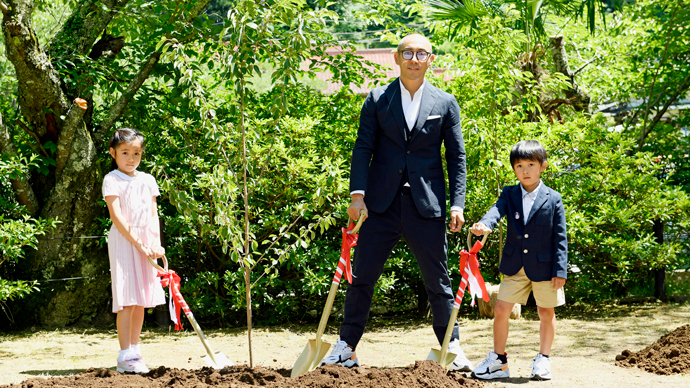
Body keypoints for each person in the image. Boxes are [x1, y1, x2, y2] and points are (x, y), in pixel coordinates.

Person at [320, 33, 472, 371]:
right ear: (396, 57)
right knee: (361, 277)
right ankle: (346, 347)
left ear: (431, 59)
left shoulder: (445, 103)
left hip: (426, 205)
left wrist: (457, 204)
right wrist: (357, 195)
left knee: (439, 281)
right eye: (408, 53)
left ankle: (453, 347)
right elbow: (363, 149)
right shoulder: (376, 99)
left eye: (421, 53)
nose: (414, 59)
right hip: (380, 205)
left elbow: (456, 157)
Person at [469, 140, 567, 381]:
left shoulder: (553, 198)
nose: (525, 170)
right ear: (513, 169)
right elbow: (496, 211)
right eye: (519, 165)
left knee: (546, 312)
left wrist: (560, 269)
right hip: (515, 264)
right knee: (501, 309)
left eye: (531, 164)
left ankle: (543, 361)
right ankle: (499, 361)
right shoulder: (509, 194)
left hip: (545, 267)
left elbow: (560, 236)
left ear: (543, 166)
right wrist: (485, 224)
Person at [103, 128, 166, 373]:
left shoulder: (148, 180)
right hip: (123, 241)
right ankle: (124, 355)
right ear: (113, 153)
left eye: (136, 153)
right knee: (127, 300)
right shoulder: (111, 179)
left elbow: (153, 215)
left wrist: (155, 243)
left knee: (140, 300)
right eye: (125, 152)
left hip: (145, 242)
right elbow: (116, 217)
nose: (131, 158)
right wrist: (137, 241)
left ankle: (135, 350)